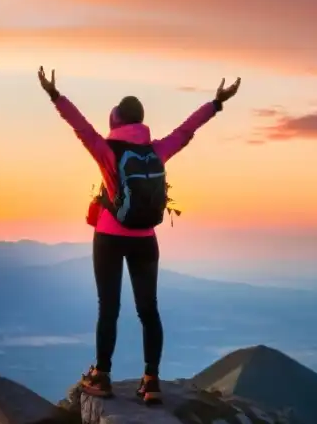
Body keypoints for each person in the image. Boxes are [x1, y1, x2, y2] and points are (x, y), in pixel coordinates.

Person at [38, 66, 241, 405]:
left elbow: (80, 127)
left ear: (116, 120)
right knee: (149, 310)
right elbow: (186, 130)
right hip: (145, 239)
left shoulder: (107, 151)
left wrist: (55, 95)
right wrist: (216, 103)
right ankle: (151, 382)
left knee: (109, 307)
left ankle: (101, 376)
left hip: (109, 236)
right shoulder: (156, 151)